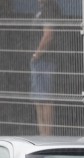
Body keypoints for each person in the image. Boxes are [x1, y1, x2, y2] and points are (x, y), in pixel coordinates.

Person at [30, 0, 61, 136]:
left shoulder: (49, 8)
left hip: (44, 61)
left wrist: (37, 54)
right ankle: (42, 134)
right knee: (38, 98)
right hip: (39, 61)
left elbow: (48, 34)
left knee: (45, 98)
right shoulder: (42, 10)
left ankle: (47, 134)